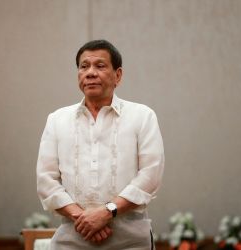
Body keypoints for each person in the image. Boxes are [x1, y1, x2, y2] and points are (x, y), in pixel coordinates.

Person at [36, 39, 165, 249]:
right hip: (72, 239)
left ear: (118, 75)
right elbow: (46, 180)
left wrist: (107, 212)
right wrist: (85, 219)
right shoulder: (57, 119)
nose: (90, 73)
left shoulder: (142, 116)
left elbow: (150, 175)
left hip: (130, 241)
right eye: (84, 66)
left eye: (100, 66)